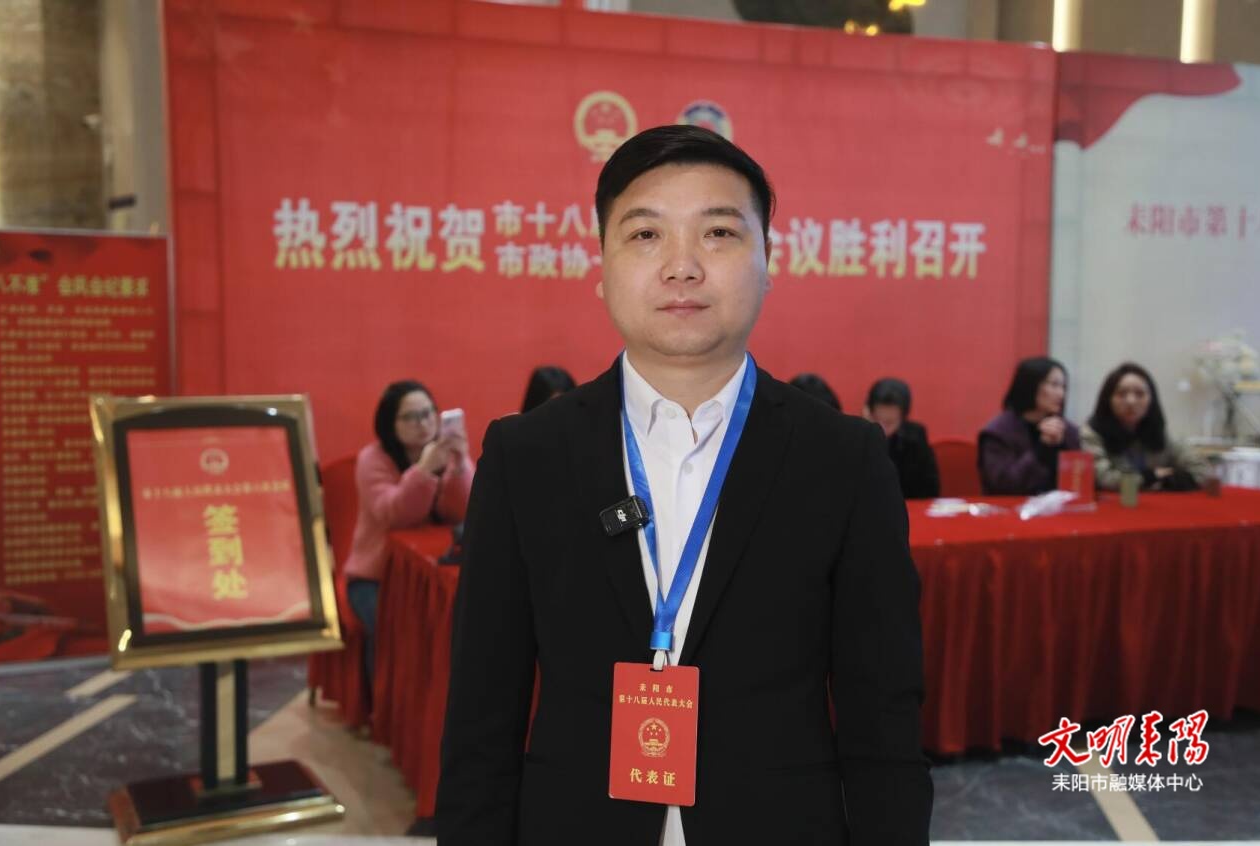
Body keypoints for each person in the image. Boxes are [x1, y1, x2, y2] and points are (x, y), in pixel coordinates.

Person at [438, 126, 931, 845]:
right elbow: (481, 714)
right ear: (601, 268)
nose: (682, 267)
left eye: (719, 233)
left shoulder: (844, 459)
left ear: (768, 262)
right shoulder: (526, 456)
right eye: (645, 235)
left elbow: (883, 713)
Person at [342, 380, 473, 685]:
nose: (423, 424)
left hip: (429, 569)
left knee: (457, 625)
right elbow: (394, 514)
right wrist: (424, 471)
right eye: (411, 417)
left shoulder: (445, 449)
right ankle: (385, 704)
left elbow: (465, 511)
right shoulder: (372, 459)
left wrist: (460, 466)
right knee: (393, 630)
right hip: (373, 577)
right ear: (391, 423)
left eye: (428, 413)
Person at [1080, 362, 1215, 492]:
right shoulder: (1091, 434)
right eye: (1122, 394)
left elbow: (1203, 470)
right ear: (1107, 399)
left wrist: (1170, 480)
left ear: (1151, 400)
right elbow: (1103, 479)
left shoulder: (1158, 433)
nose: (1131, 401)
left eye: (1139, 394)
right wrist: (1151, 477)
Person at [978, 357, 1080, 495]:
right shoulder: (999, 432)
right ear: (1031, 385)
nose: (1061, 394)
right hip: (1012, 506)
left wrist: (1061, 447)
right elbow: (1004, 485)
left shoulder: (1068, 430)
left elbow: (1079, 482)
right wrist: (1042, 449)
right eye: (1054, 385)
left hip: (1062, 507)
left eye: (1063, 387)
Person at [865, 378, 940, 499]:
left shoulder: (915, 437)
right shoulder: (861, 436)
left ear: (903, 417)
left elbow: (930, 488)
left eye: (889, 423)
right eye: (877, 420)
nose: (882, 428)